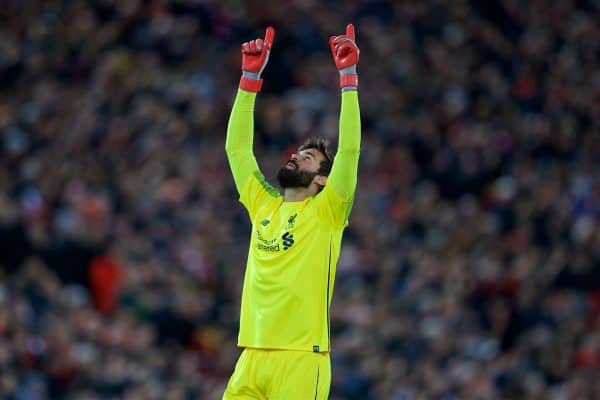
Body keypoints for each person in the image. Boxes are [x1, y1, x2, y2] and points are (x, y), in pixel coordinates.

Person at [223, 24, 361, 399]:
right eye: (299, 152)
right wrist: (249, 79)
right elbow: (237, 150)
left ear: (321, 181)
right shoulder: (262, 203)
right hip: (251, 355)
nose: (297, 155)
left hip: (302, 359)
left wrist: (348, 80)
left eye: (309, 157)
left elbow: (349, 153)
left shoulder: (328, 212)